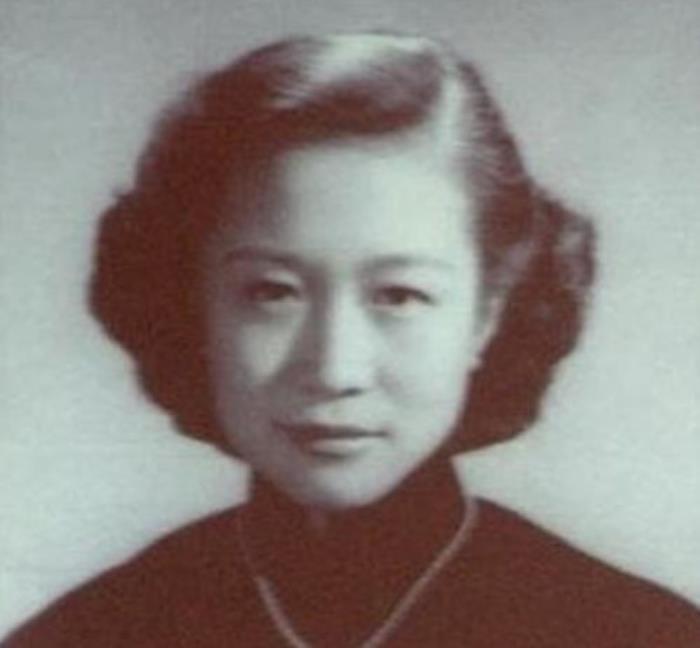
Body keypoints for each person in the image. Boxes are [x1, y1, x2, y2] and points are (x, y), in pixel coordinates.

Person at [6, 31, 700, 647]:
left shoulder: (644, 636)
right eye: (272, 292)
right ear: (194, 308)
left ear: (487, 314)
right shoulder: (82, 637)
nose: (335, 369)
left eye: (398, 296)